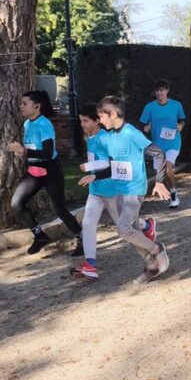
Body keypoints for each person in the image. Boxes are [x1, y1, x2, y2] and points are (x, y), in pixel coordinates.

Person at [74, 96, 170, 283]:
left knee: (124, 229)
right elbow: (112, 166)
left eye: (102, 117)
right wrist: (95, 175)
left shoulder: (131, 133)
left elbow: (158, 153)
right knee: (133, 232)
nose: (100, 121)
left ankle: (156, 249)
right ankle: (151, 266)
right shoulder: (109, 137)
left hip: (135, 190)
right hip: (118, 190)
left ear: (114, 114)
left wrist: (159, 181)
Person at [8, 90, 83, 255]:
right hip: (34, 171)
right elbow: (33, 150)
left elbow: (48, 153)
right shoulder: (28, 123)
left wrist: (24, 151)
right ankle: (40, 236)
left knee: (58, 209)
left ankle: (82, 238)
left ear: (37, 106)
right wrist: (22, 152)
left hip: (51, 170)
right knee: (16, 203)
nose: (21, 106)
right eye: (21, 103)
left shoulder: (44, 124)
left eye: (24, 104)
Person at [139, 79, 186, 208]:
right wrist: (145, 128)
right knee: (162, 171)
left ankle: (174, 194)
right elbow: (143, 123)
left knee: (167, 167)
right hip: (157, 145)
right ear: (155, 92)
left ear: (167, 91)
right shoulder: (149, 107)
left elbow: (182, 120)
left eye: (162, 90)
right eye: (157, 91)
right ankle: (172, 191)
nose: (160, 93)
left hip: (173, 142)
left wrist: (181, 126)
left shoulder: (176, 105)